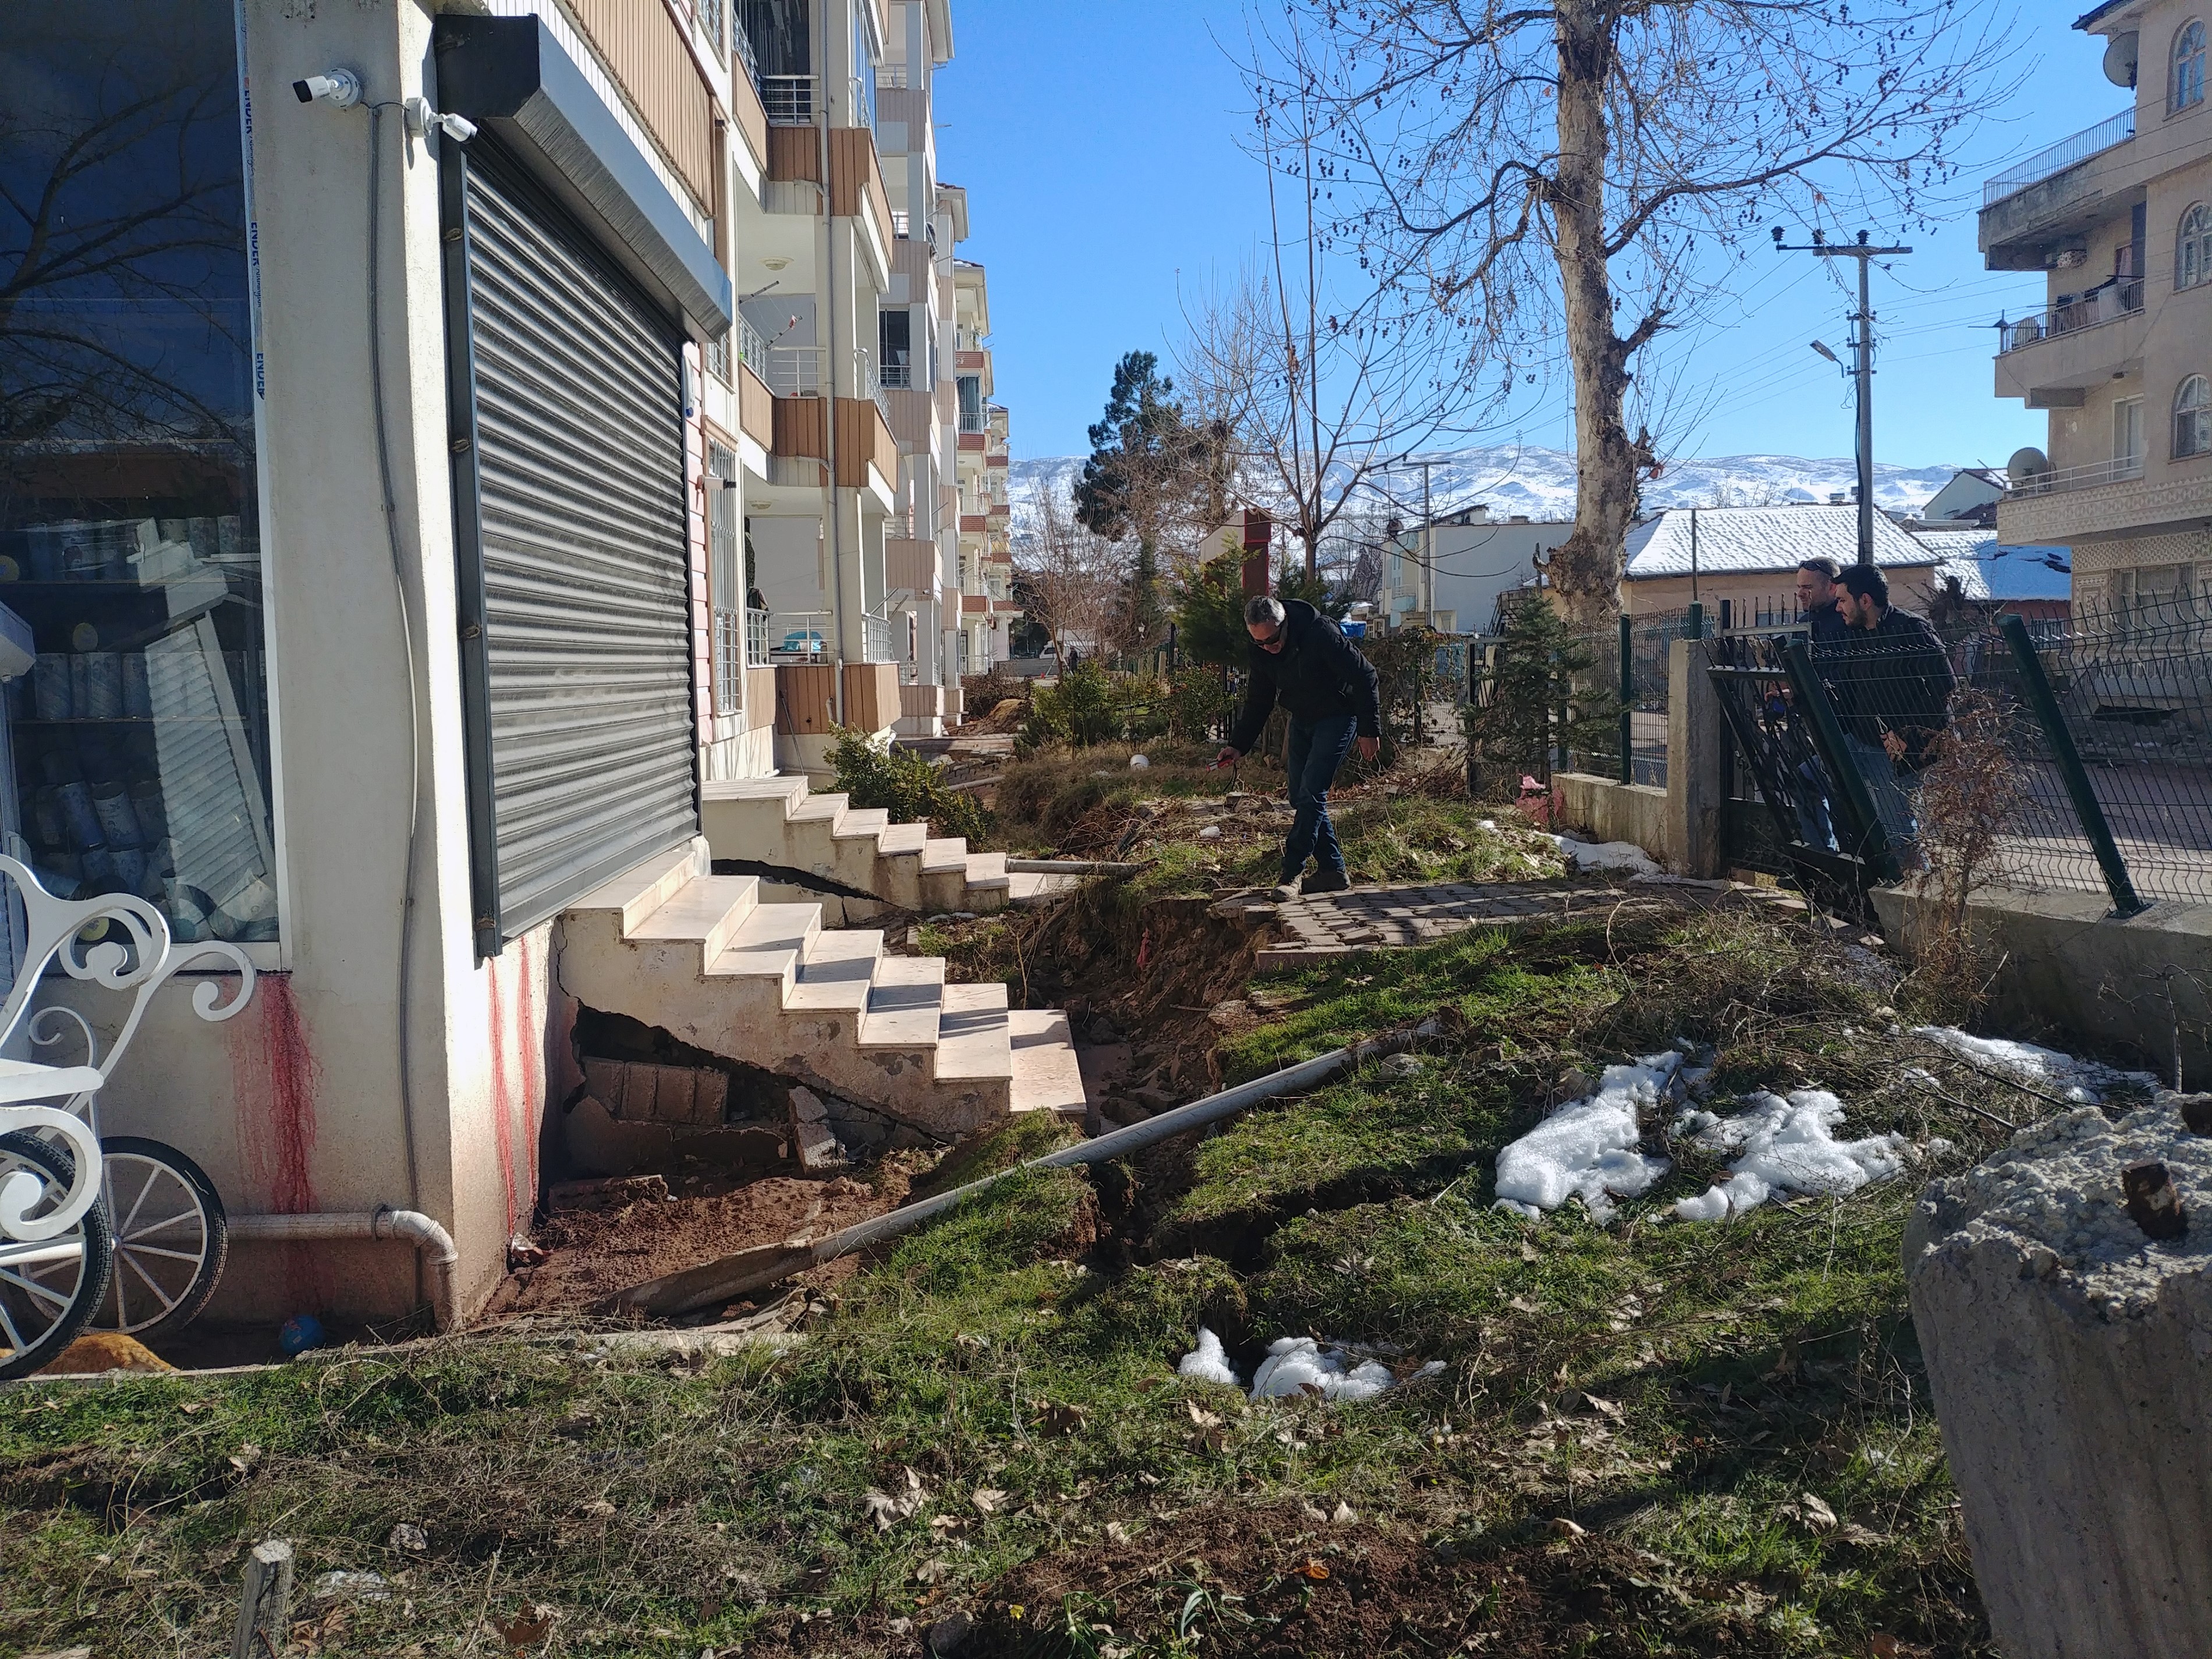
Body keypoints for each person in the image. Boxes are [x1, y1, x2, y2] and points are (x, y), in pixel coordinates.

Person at [1216, 595, 1382, 895]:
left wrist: (1369, 730)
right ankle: (1332, 871)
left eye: (1273, 639)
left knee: (1311, 792)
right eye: (1261, 643)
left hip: (1338, 716)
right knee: (1299, 795)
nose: (1270, 647)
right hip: (1303, 720)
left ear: (1284, 623)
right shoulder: (1262, 651)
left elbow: (1365, 675)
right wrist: (1238, 745)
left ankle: (1291, 873)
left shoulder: (1321, 633)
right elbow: (1258, 701)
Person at [1827, 564, 1955, 867]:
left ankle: (1918, 899)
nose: (1838, 607)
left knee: (1899, 835)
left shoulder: (1913, 629)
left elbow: (1945, 686)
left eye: (1843, 600)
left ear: (1866, 601)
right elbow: (1846, 686)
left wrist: (1907, 733)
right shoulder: (1856, 635)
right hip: (1857, 742)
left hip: (1899, 751)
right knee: (1809, 779)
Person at [1790, 556, 1852, 848]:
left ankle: (1847, 855)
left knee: (1838, 790)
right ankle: (1822, 854)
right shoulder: (1804, 625)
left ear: (1831, 587)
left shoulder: (1847, 622)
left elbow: (1845, 673)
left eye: (1808, 587)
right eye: (1799, 587)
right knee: (1806, 780)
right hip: (1810, 721)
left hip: (1847, 722)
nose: (1801, 593)